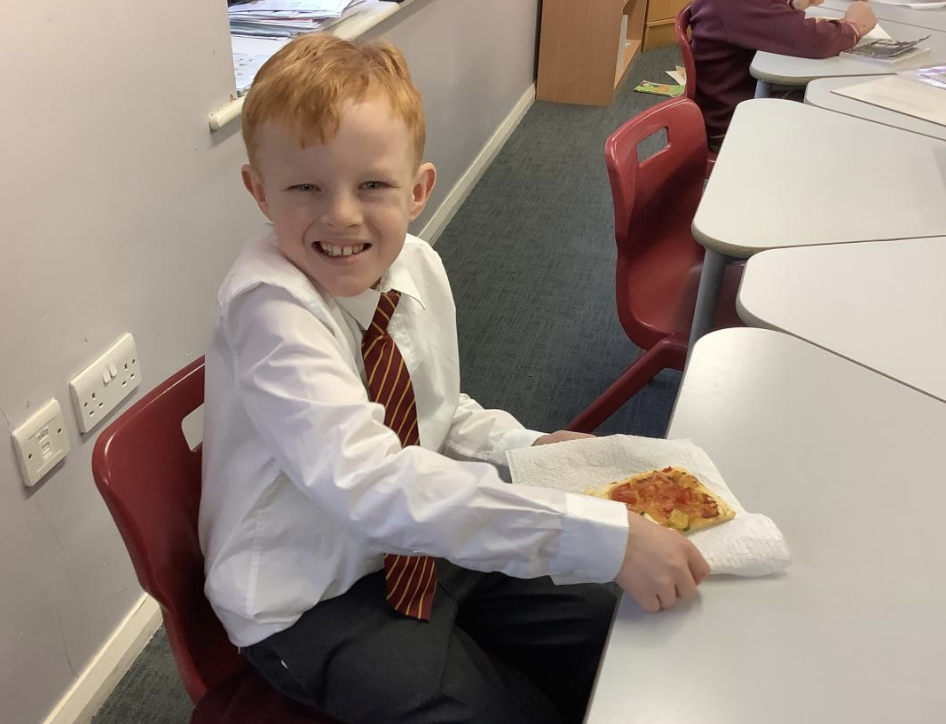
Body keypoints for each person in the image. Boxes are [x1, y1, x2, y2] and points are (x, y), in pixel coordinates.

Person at [199, 32, 710, 724]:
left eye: (372, 185)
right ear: (259, 193)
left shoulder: (417, 266)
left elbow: (437, 412)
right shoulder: (271, 308)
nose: (342, 214)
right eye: (305, 187)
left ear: (418, 191)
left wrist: (525, 448)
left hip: (416, 536)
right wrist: (601, 536)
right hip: (311, 594)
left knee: (609, 633)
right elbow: (372, 483)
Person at [690, 0, 877, 151]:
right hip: (732, 123)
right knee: (844, 113)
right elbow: (814, 40)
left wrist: (792, 5)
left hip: (734, 97)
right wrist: (853, 27)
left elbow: (760, 18)